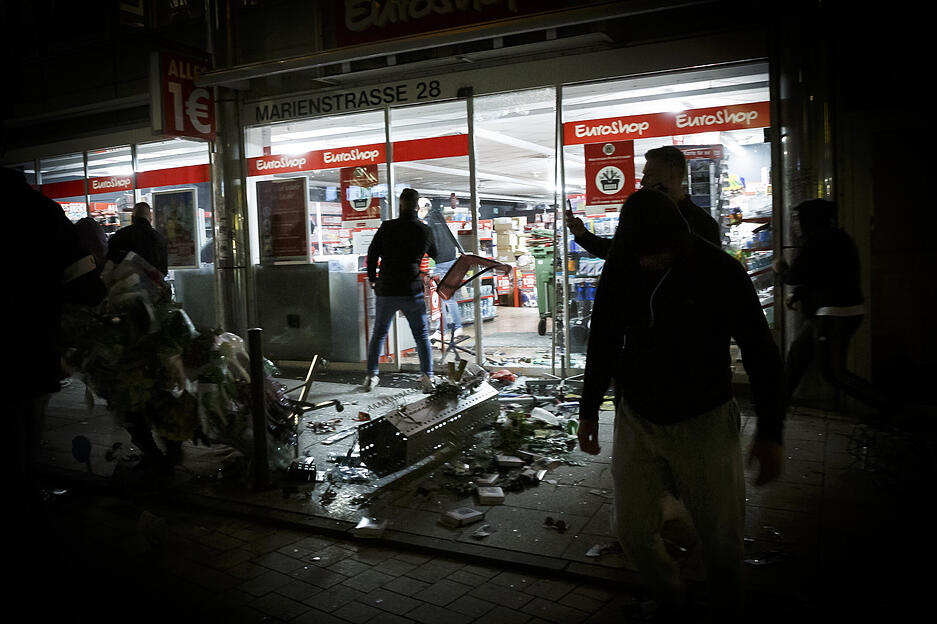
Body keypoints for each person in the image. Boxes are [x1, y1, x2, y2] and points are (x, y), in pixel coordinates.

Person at [577, 188, 785, 620]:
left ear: (679, 240)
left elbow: (761, 351)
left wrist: (770, 433)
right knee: (631, 528)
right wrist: (589, 409)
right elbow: (604, 338)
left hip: (704, 418)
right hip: (637, 415)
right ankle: (671, 599)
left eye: (655, 255)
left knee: (721, 539)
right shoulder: (623, 261)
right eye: (639, 254)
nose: (646, 263)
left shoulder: (720, 270)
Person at [3, 167, 106, 523]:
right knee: (25, 421)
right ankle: (26, 498)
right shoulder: (39, 211)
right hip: (28, 343)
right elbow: (85, 284)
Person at [773, 198, 889, 413]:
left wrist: (780, 268)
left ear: (810, 220)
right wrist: (798, 295)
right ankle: (778, 402)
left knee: (833, 373)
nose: (795, 224)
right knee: (798, 354)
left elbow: (796, 275)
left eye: (798, 219)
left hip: (834, 313)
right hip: (834, 312)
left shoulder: (816, 241)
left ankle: (887, 407)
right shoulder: (837, 238)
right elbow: (825, 275)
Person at [566, 145, 721, 257]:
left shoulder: (702, 224)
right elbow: (617, 251)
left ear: (674, 175)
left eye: (651, 175)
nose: (643, 182)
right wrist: (584, 235)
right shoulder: (643, 218)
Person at [364, 188, 438, 394]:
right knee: (421, 335)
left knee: (379, 334)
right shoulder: (424, 229)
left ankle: (371, 376)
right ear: (417, 206)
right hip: (411, 289)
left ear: (400, 204)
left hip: (387, 288)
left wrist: (372, 278)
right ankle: (427, 377)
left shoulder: (387, 227)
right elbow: (436, 253)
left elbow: (372, 254)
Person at [418, 196, 465, 342]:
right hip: (451, 261)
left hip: (442, 263)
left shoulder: (429, 222)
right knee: (447, 299)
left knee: (442, 299)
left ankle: (448, 329)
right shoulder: (439, 218)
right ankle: (450, 329)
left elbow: (427, 243)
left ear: (421, 208)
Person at [106, 201, 169, 276]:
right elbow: (163, 271)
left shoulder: (120, 235)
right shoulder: (159, 238)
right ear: (150, 219)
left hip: (125, 285)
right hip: (152, 286)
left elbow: (109, 261)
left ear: (132, 218)